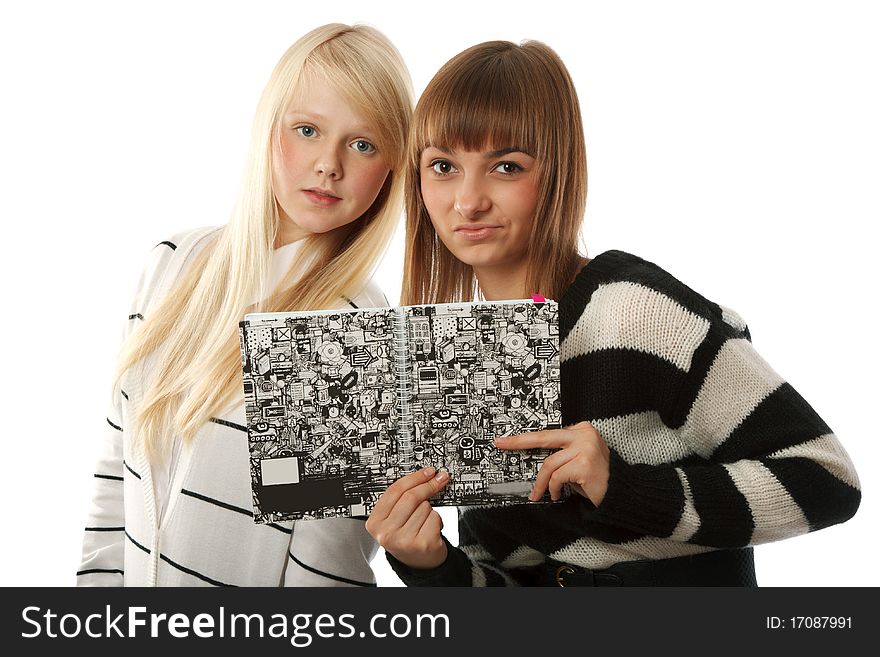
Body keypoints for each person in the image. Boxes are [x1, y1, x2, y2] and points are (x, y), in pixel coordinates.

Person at [365, 40, 860, 586]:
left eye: (506, 166)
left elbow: (827, 481)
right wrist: (430, 564)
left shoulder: (633, 310)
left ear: (556, 171)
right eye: (443, 166)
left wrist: (620, 487)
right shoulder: (463, 360)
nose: (468, 200)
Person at [77, 23, 413, 586]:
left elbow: (324, 575)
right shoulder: (172, 262)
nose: (330, 163)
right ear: (269, 127)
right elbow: (115, 483)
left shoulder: (354, 328)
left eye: (363, 144)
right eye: (307, 129)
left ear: (391, 166)